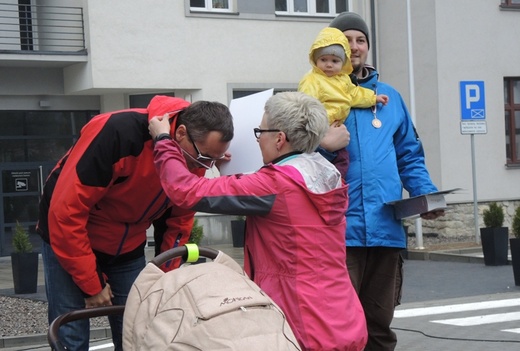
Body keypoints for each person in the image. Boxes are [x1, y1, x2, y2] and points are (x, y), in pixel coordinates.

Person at [149, 91, 368, 351]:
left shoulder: (274, 185)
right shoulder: (327, 173)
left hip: (299, 324)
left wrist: (163, 140)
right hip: (343, 317)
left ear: (279, 139)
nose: (257, 139)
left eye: (260, 131)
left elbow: (185, 191)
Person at [36, 95, 234, 351]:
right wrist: (92, 285)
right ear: (181, 132)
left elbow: (179, 223)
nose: (205, 167)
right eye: (204, 159)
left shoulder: (194, 154)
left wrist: (162, 281)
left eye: (213, 161)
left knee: (137, 333)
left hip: (127, 245)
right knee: (70, 335)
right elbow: (65, 213)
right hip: (69, 238)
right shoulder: (116, 132)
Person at [317, 12, 445, 350]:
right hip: (337, 231)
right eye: (346, 39)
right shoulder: (314, 95)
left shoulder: (390, 98)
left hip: (385, 229)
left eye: (361, 40)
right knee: (338, 325)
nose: (354, 46)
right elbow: (296, 161)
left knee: (379, 323)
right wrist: (326, 148)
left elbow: (409, 155)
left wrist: (424, 195)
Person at [298, 26, 388, 177]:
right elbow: (305, 104)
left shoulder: (344, 80)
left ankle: (338, 187)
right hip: (319, 129)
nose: (328, 64)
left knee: (342, 162)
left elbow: (355, 94)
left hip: (338, 129)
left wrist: (374, 98)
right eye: (323, 59)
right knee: (319, 168)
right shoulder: (312, 79)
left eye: (334, 61)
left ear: (343, 62)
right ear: (315, 59)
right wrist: (316, 131)